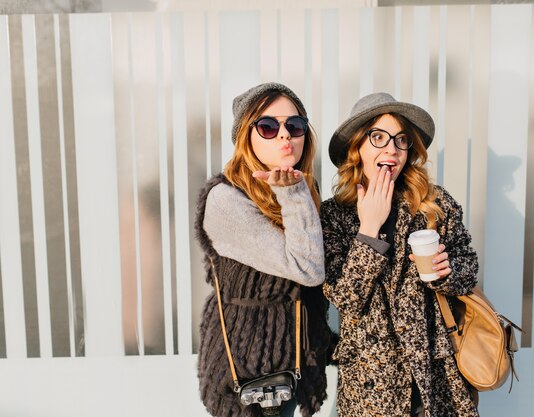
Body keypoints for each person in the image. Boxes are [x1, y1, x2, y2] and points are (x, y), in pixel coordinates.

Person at [321, 92, 480, 417]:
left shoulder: (434, 204)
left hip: (435, 371)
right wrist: (369, 229)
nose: (391, 149)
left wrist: (446, 272)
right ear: (357, 147)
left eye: (401, 139)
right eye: (378, 137)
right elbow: (345, 298)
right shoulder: (334, 216)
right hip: (371, 378)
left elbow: (468, 270)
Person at [194, 82, 333, 417]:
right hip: (247, 366)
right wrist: (295, 194)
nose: (285, 135)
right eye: (268, 127)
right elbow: (308, 269)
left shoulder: (298, 189)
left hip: (291, 360)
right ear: (246, 137)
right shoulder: (225, 201)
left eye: (294, 125)